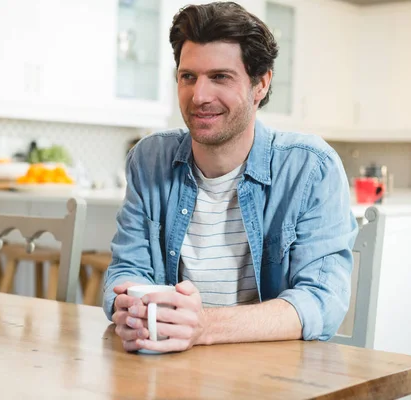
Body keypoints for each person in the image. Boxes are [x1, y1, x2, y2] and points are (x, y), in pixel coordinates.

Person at [102, 1, 358, 354]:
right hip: (171, 367)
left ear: (261, 84)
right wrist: (130, 309)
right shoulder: (149, 160)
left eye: (220, 77)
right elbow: (127, 269)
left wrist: (204, 325)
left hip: (274, 372)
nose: (199, 96)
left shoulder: (311, 168)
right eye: (188, 77)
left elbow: (322, 301)